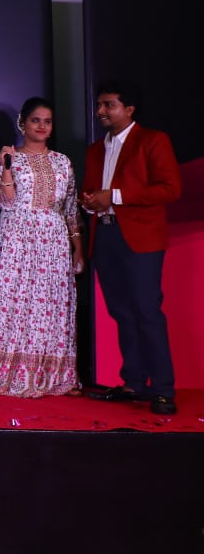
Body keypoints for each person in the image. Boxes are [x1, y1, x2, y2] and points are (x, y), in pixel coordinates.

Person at [0, 98, 82, 398]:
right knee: (11, 301)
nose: (41, 126)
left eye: (47, 121)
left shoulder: (63, 162)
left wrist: (78, 248)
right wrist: (6, 167)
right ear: (22, 123)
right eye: (35, 120)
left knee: (50, 306)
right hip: (16, 238)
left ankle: (53, 375)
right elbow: (6, 202)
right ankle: (4, 372)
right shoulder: (9, 158)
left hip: (53, 242)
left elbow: (70, 210)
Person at [82, 80, 182, 415]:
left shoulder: (153, 140)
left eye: (108, 105)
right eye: (99, 105)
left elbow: (170, 189)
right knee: (121, 312)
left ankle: (163, 390)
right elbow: (92, 192)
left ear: (129, 109)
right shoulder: (96, 149)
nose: (101, 111)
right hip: (105, 236)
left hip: (141, 239)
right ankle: (134, 383)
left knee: (146, 312)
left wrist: (115, 196)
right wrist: (90, 202)